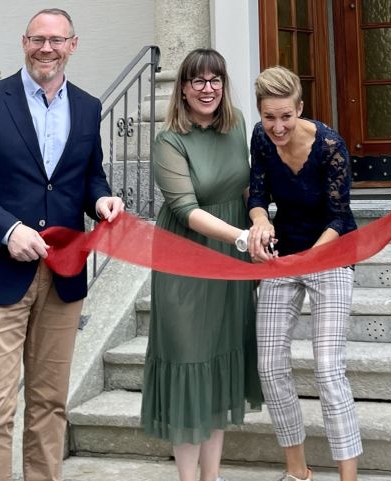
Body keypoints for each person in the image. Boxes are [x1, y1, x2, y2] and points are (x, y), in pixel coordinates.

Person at [0, 9, 124, 481]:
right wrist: (6, 230)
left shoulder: (87, 106)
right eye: (38, 39)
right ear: (24, 42)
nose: (47, 48)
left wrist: (101, 198)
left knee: (49, 405)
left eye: (57, 40)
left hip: (62, 279)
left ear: (73, 45)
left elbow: (87, 176)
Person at [140, 48, 263, 481]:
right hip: (186, 261)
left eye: (215, 80)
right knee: (190, 362)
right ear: (184, 89)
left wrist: (262, 221)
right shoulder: (169, 140)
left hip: (231, 262)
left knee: (219, 363)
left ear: (224, 85)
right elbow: (186, 209)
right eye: (197, 81)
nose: (207, 89)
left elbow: (250, 191)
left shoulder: (238, 128)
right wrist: (243, 237)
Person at [247, 66, 361, 481]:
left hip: (330, 253)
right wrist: (260, 222)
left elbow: (339, 215)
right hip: (284, 255)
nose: (277, 127)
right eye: (268, 117)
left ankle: (349, 476)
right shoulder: (260, 137)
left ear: (300, 108)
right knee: (270, 365)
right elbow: (257, 194)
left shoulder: (330, 145)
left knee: (328, 368)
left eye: (285, 117)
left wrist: (310, 258)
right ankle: (297, 471)